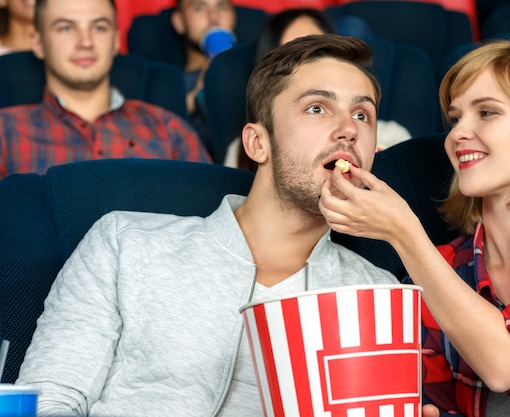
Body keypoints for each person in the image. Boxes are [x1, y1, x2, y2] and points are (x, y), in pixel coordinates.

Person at [15, 34, 399, 416]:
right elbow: (48, 402)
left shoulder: (376, 294)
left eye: (362, 114)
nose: (349, 129)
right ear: (257, 144)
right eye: (317, 108)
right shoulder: (124, 243)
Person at [319, 39, 510, 417]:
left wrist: (404, 233)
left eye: (486, 112)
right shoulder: (443, 269)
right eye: (455, 118)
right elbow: (433, 401)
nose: (458, 133)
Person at [0, 0, 211, 178]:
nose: (85, 42)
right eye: (66, 28)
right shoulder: (5, 133)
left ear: (115, 41)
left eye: (99, 27)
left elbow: (212, 216)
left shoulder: (170, 129)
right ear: (38, 42)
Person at [223, 7, 411, 171]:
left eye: (320, 51)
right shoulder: (242, 149)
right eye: (316, 109)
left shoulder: (389, 136)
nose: (349, 130)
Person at [170, 0, 236, 141]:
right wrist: (196, 97)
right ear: (179, 21)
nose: (214, 17)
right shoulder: (170, 87)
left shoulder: (258, 70)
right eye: (199, 7)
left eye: (222, 7)